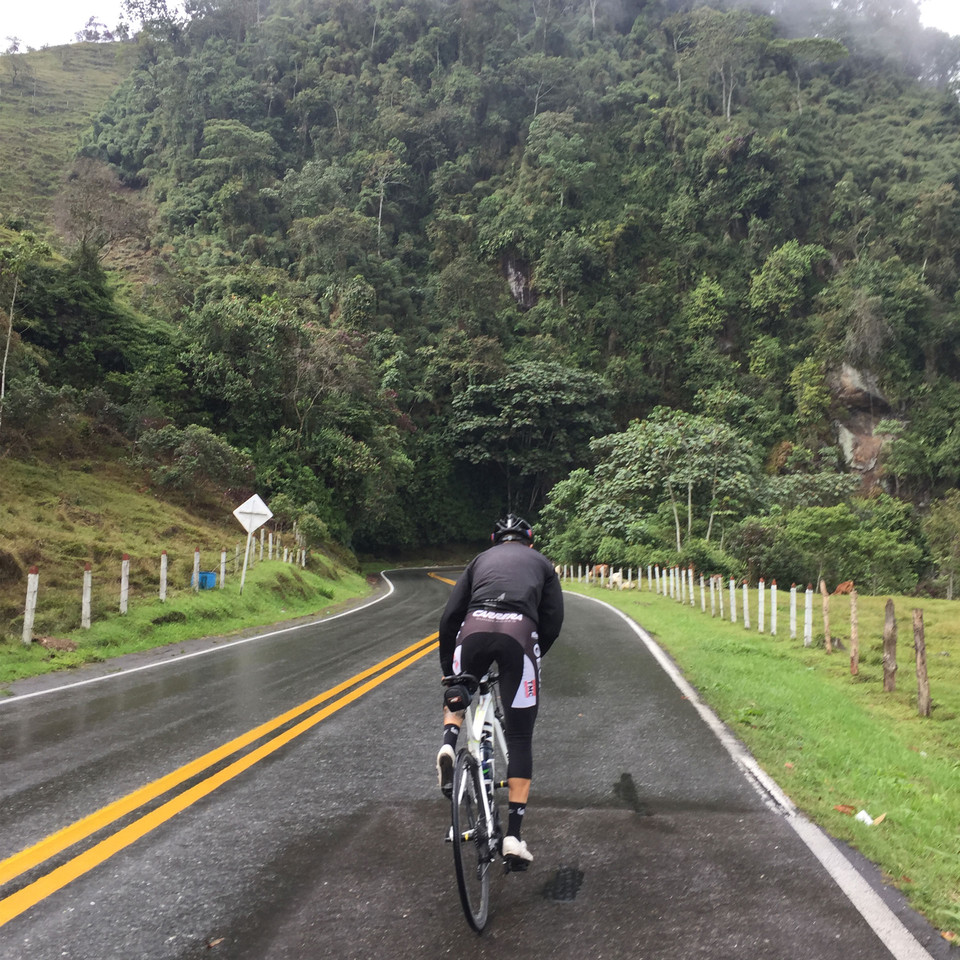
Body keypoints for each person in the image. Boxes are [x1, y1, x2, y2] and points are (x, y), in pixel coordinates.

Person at [436, 513, 564, 865]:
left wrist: (450, 670)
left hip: (472, 631)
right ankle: (513, 837)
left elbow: (450, 617)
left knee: (459, 692)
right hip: (519, 638)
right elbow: (553, 620)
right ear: (530, 542)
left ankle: (449, 743)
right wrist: (535, 654)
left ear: (495, 542)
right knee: (520, 738)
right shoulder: (542, 563)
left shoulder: (480, 561)